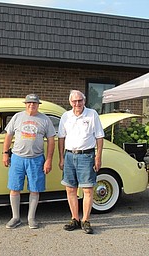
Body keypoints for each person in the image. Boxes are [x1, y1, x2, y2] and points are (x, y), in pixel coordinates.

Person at [2, 94, 56, 229]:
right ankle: (15, 217)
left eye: (34, 103)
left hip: (36, 159)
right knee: (14, 188)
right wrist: (5, 154)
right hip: (17, 157)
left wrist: (48, 160)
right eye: (29, 103)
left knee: (35, 189)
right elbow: (8, 135)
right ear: (25, 104)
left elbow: (51, 140)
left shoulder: (45, 120)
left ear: (38, 105)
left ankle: (31, 218)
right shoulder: (17, 117)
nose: (31, 105)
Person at [58, 90, 104, 234]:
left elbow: (99, 137)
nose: (77, 104)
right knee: (70, 189)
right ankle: (74, 219)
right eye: (74, 101)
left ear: (84, 101)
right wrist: (61, 158)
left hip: (87, 156)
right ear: (70, 102)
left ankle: (86, 220)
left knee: (87, 189)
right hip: (70, 156)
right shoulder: (66, 116)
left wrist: (98, 157)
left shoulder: (92, 114)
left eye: (80, 100)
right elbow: (61, 138)